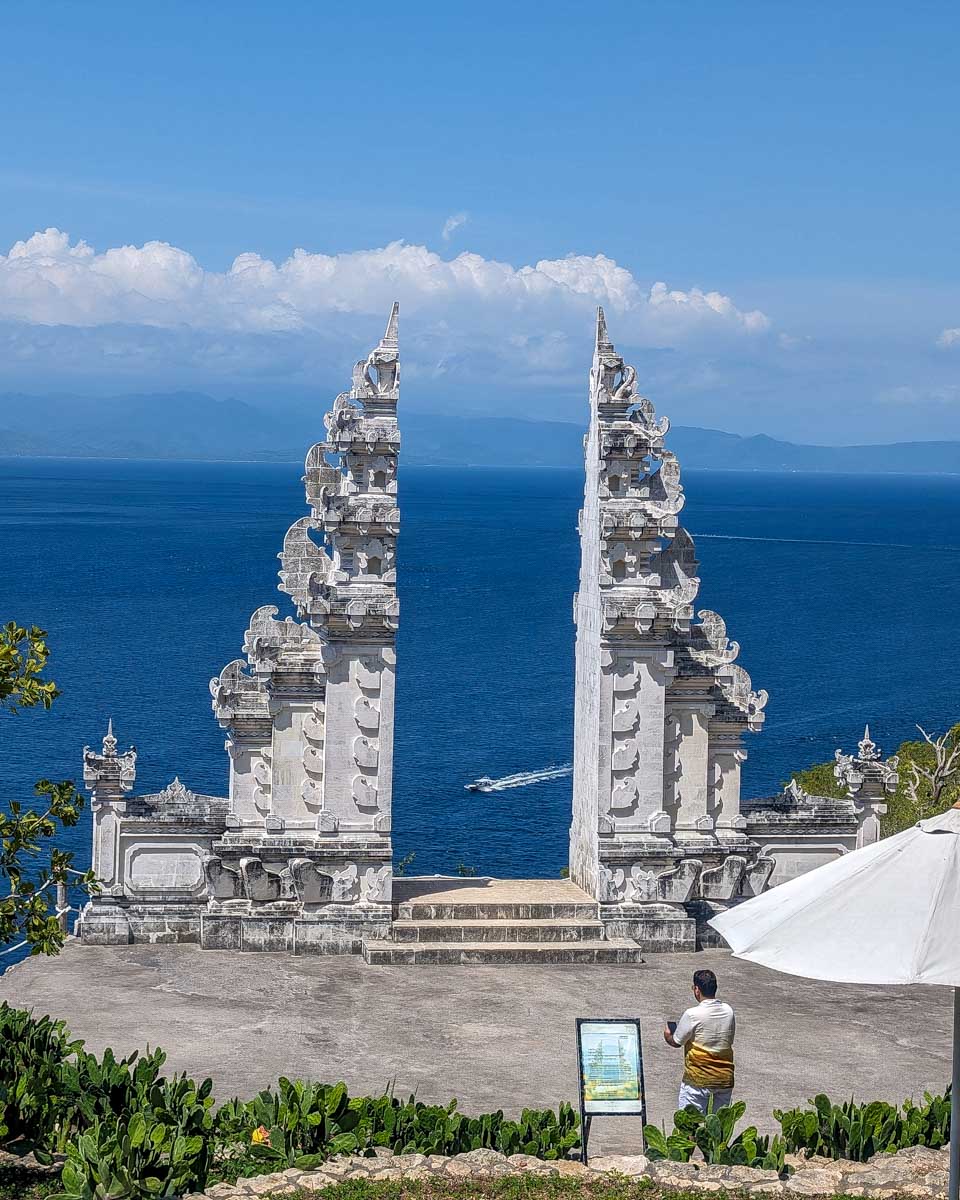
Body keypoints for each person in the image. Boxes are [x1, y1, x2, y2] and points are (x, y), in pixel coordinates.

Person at [663, 968, 735, 1114]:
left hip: (698, 1080)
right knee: (719, 1127)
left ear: (697, 989)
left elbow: (676, 1042)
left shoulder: (692, 1014)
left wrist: (667, 1035)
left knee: (690, 1127)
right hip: (724, 1078)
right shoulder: (729, 1011)